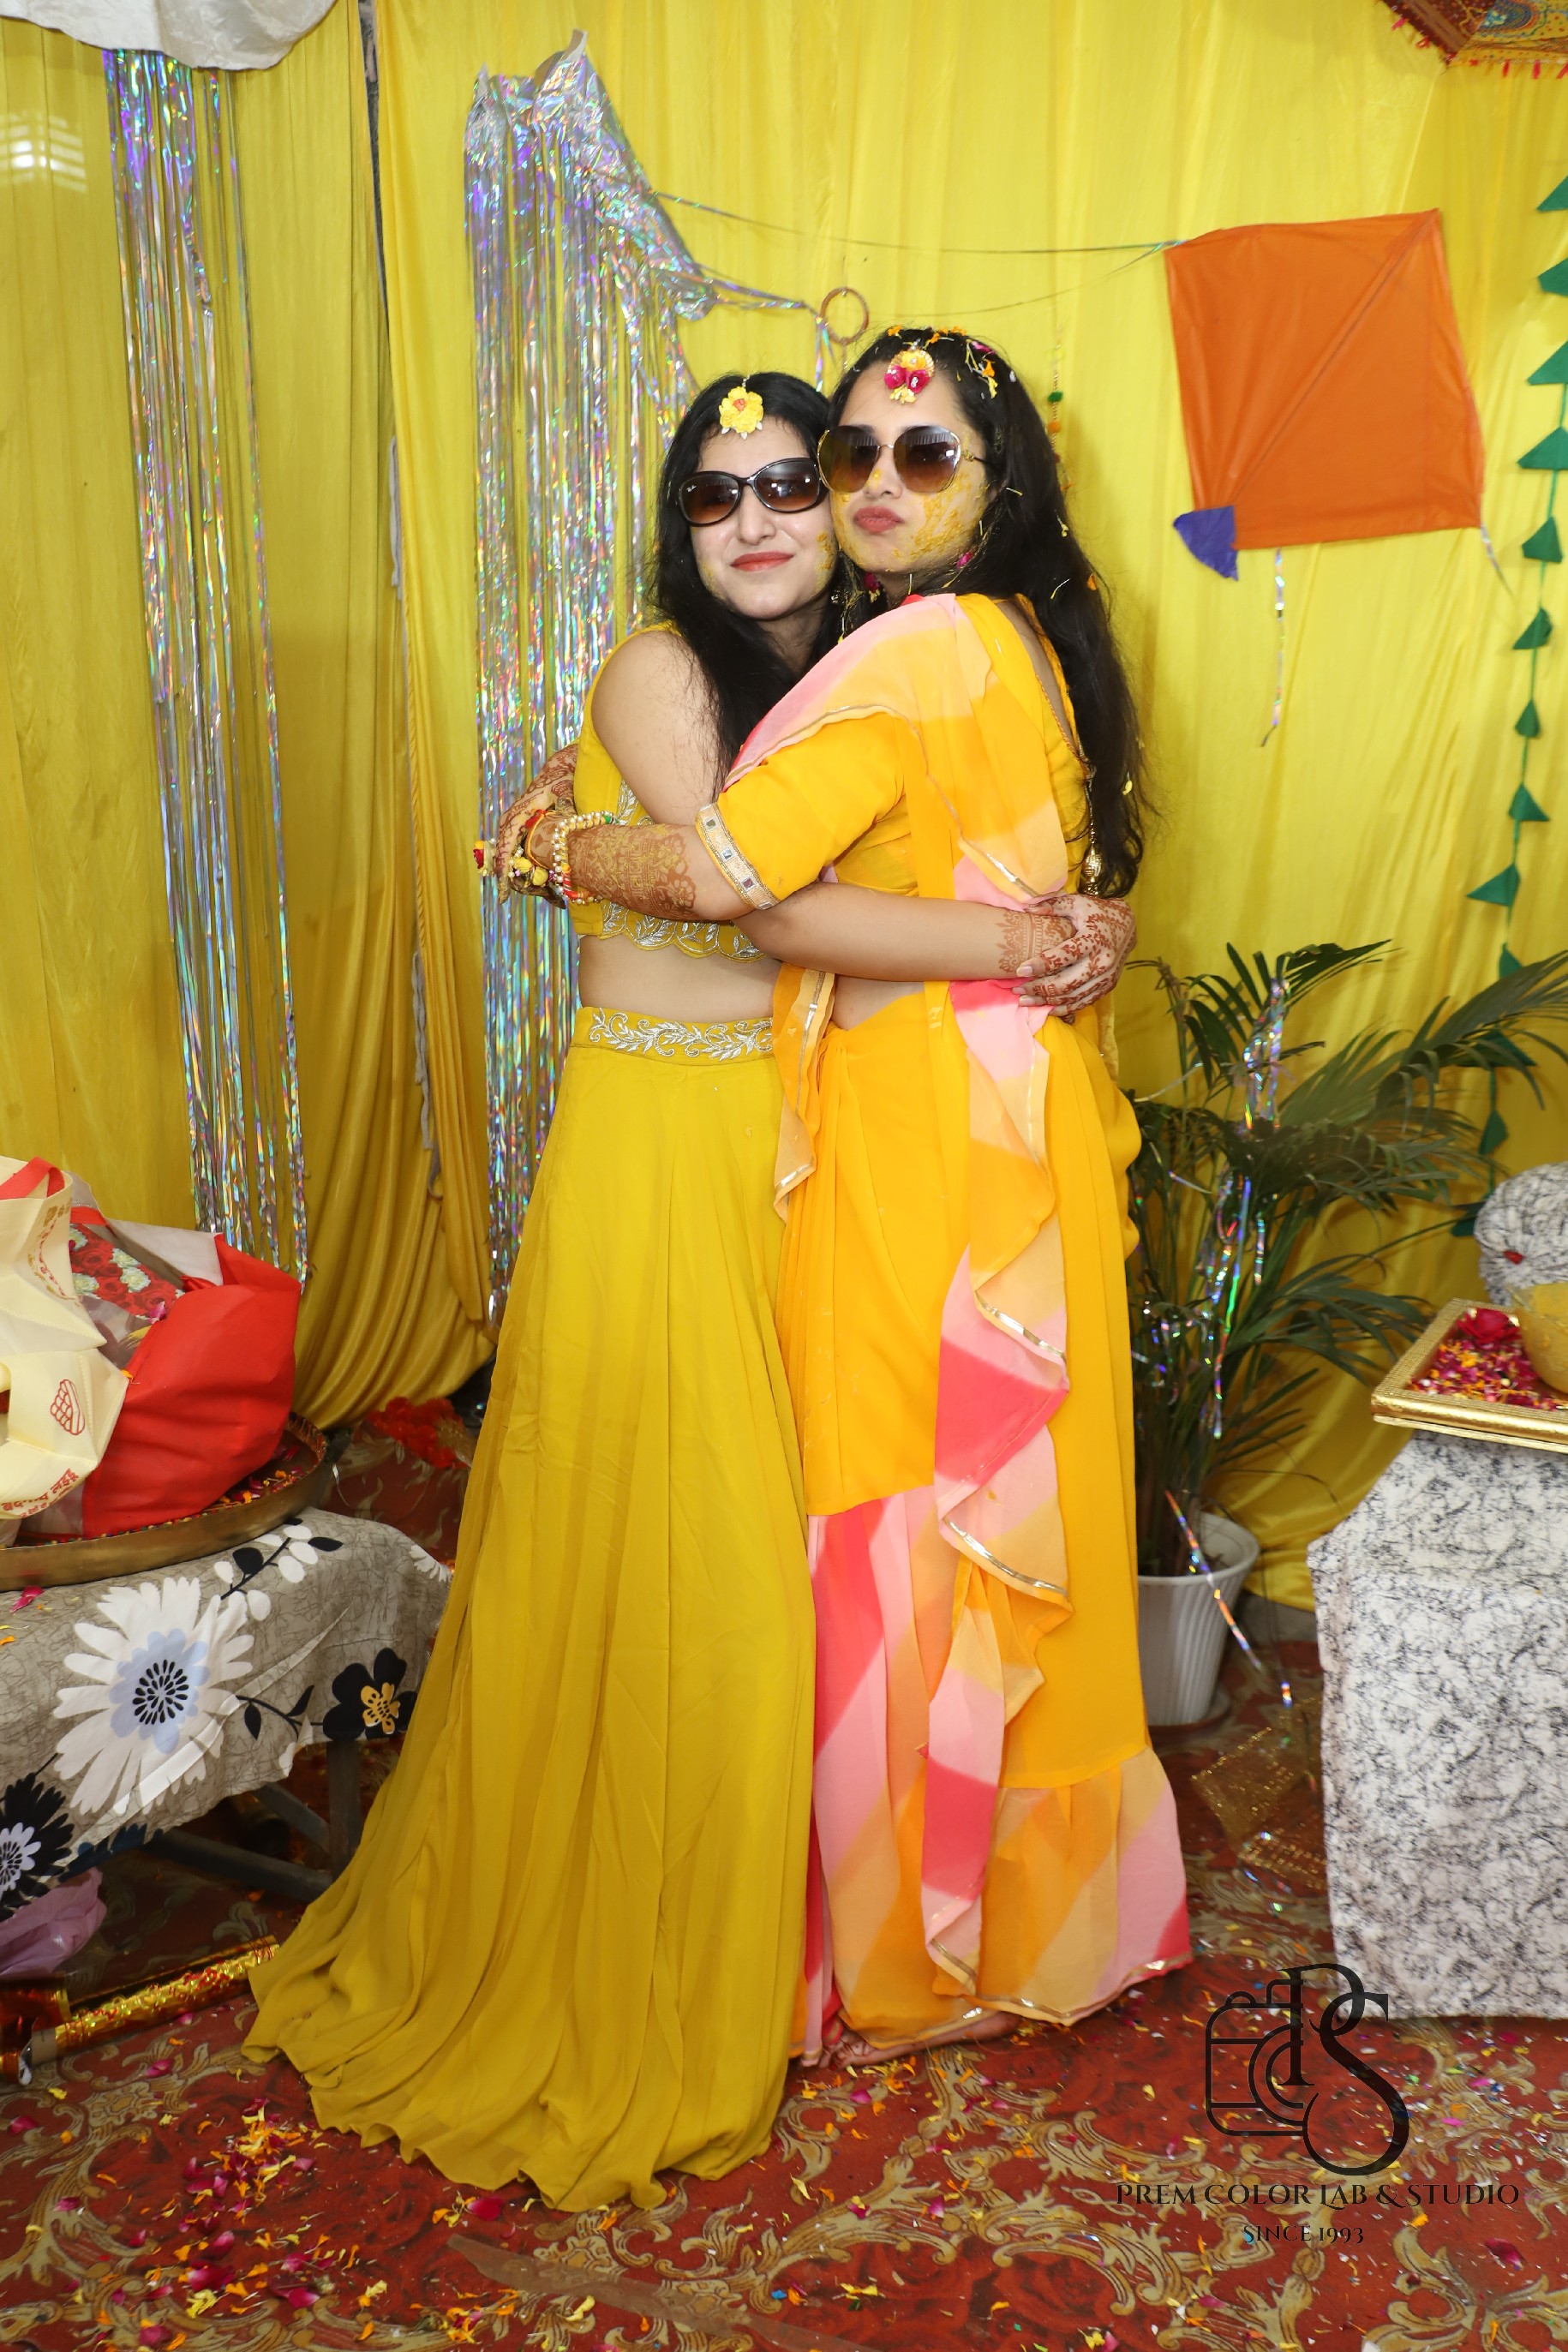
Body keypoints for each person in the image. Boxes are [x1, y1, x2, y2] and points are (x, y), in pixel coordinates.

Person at [246, 369, 1133, 2210]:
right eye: (717, 494)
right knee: (683, 1547)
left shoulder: (872, 671)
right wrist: (1026, 933)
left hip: (806, 1151)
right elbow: (748, 890)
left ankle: (812, 1917)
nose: (759, 520)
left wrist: (1074, 918)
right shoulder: (664, 670)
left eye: (797, 480)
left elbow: (884, 847)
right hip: (662, 1153)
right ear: (680, 526)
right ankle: (645, 1929)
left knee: (814, 1552)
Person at [523, 331, 1191, 2067]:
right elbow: (789, 871)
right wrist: (1052, 933)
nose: (863, 489)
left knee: (907, 1523)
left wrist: (560, 846)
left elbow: (737, 877)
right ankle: (1011, 1912)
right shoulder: (983, 641)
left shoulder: (910, 649)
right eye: (855, 458)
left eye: (916, 457)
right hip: (921, 1117)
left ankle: (924, 1945)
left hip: (923, 1130)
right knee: (959, 1517)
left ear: (998, 483)